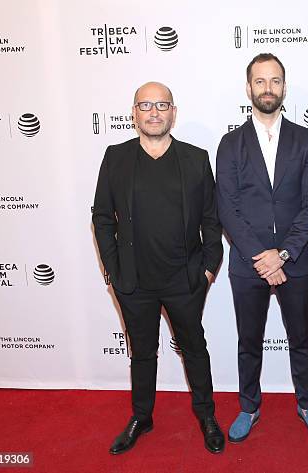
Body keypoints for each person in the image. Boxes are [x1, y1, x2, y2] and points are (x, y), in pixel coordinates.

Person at [92, 81, 225, 454]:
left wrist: (209, 268)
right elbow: (102, 216)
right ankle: (142, 415)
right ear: (133, 113)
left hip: (185, 279)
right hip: (133, 281)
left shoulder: (195, 158)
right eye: (145, 105)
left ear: (173, 112)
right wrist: (112, 270)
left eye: (161, 105)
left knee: (194, 348)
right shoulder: (116, 157)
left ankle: (207, 414)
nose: (153, 112)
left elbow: (212, 219)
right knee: (142, 352)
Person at [216, 54, 308, 441]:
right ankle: (249, 407)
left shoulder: (305, 138)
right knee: (249, 341)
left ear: (284, 86)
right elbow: (227, 208)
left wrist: (282, 254)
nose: (268, 88)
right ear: (249, 88)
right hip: (248, 264)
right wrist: (262, 257)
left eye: (275, 81)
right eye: (260, 81)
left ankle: (307, 403)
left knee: (301, 337)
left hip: (294, 260)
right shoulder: (230, 144)